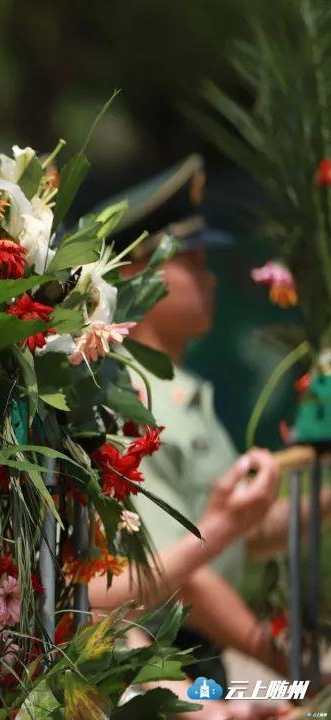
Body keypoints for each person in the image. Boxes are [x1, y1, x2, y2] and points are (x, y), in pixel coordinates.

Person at [84, 156, 331, 719]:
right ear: (137, 276)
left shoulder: (182, 391)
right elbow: (183, 575)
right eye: (192, 262)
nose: (211, 277)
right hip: (158, 663)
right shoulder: (130, 403)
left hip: (196, 662)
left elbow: (243, 531)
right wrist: (291, 665)